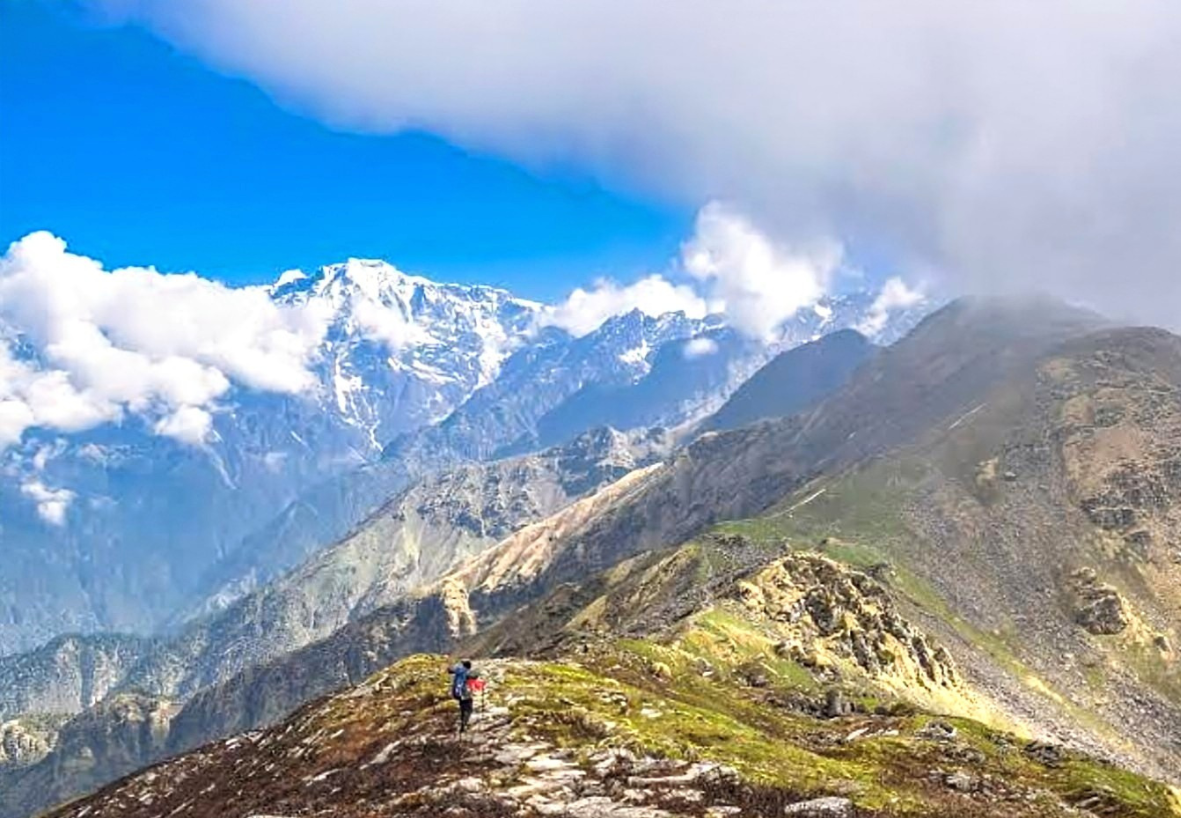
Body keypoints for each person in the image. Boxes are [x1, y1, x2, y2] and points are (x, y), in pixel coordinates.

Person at [449, 659, 480, 733]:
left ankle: (462, 724)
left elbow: (450, 670)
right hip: (465, 694)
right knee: (469, 709)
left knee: (463, 708)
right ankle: (464, 724)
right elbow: (475, 676)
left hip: (457, 693)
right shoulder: (467, 672)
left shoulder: (458, 671)